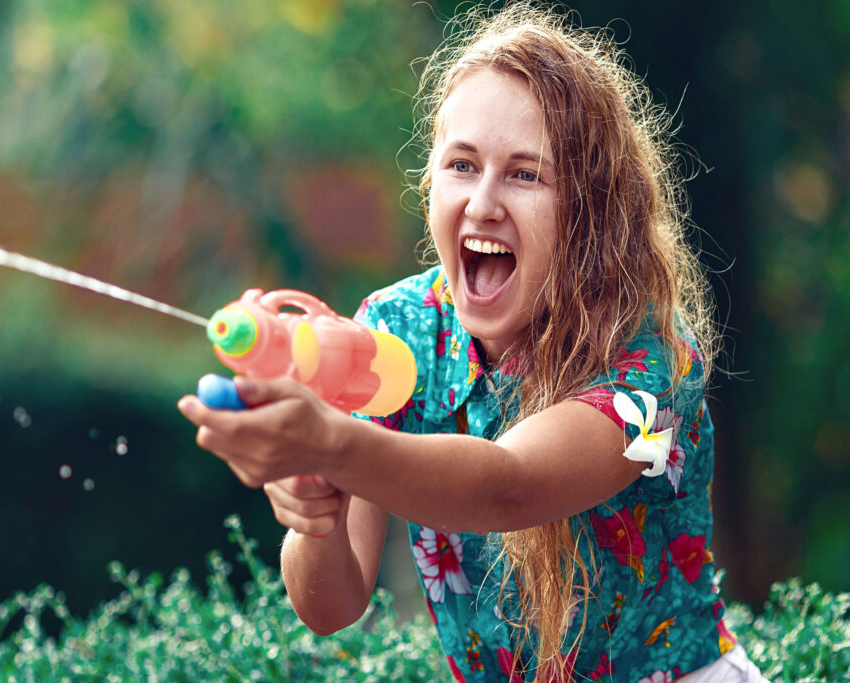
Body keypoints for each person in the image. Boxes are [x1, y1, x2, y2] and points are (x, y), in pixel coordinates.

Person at [178, 3, 768, 681]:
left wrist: (332, 442)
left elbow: (506, 489)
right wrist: (313, 497)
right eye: (462, 164)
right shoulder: (394, 328)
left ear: (591, 212)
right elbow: (332, 604)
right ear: (430, 182)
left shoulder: (651, 359)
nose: (484, 202)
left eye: (525, 174)